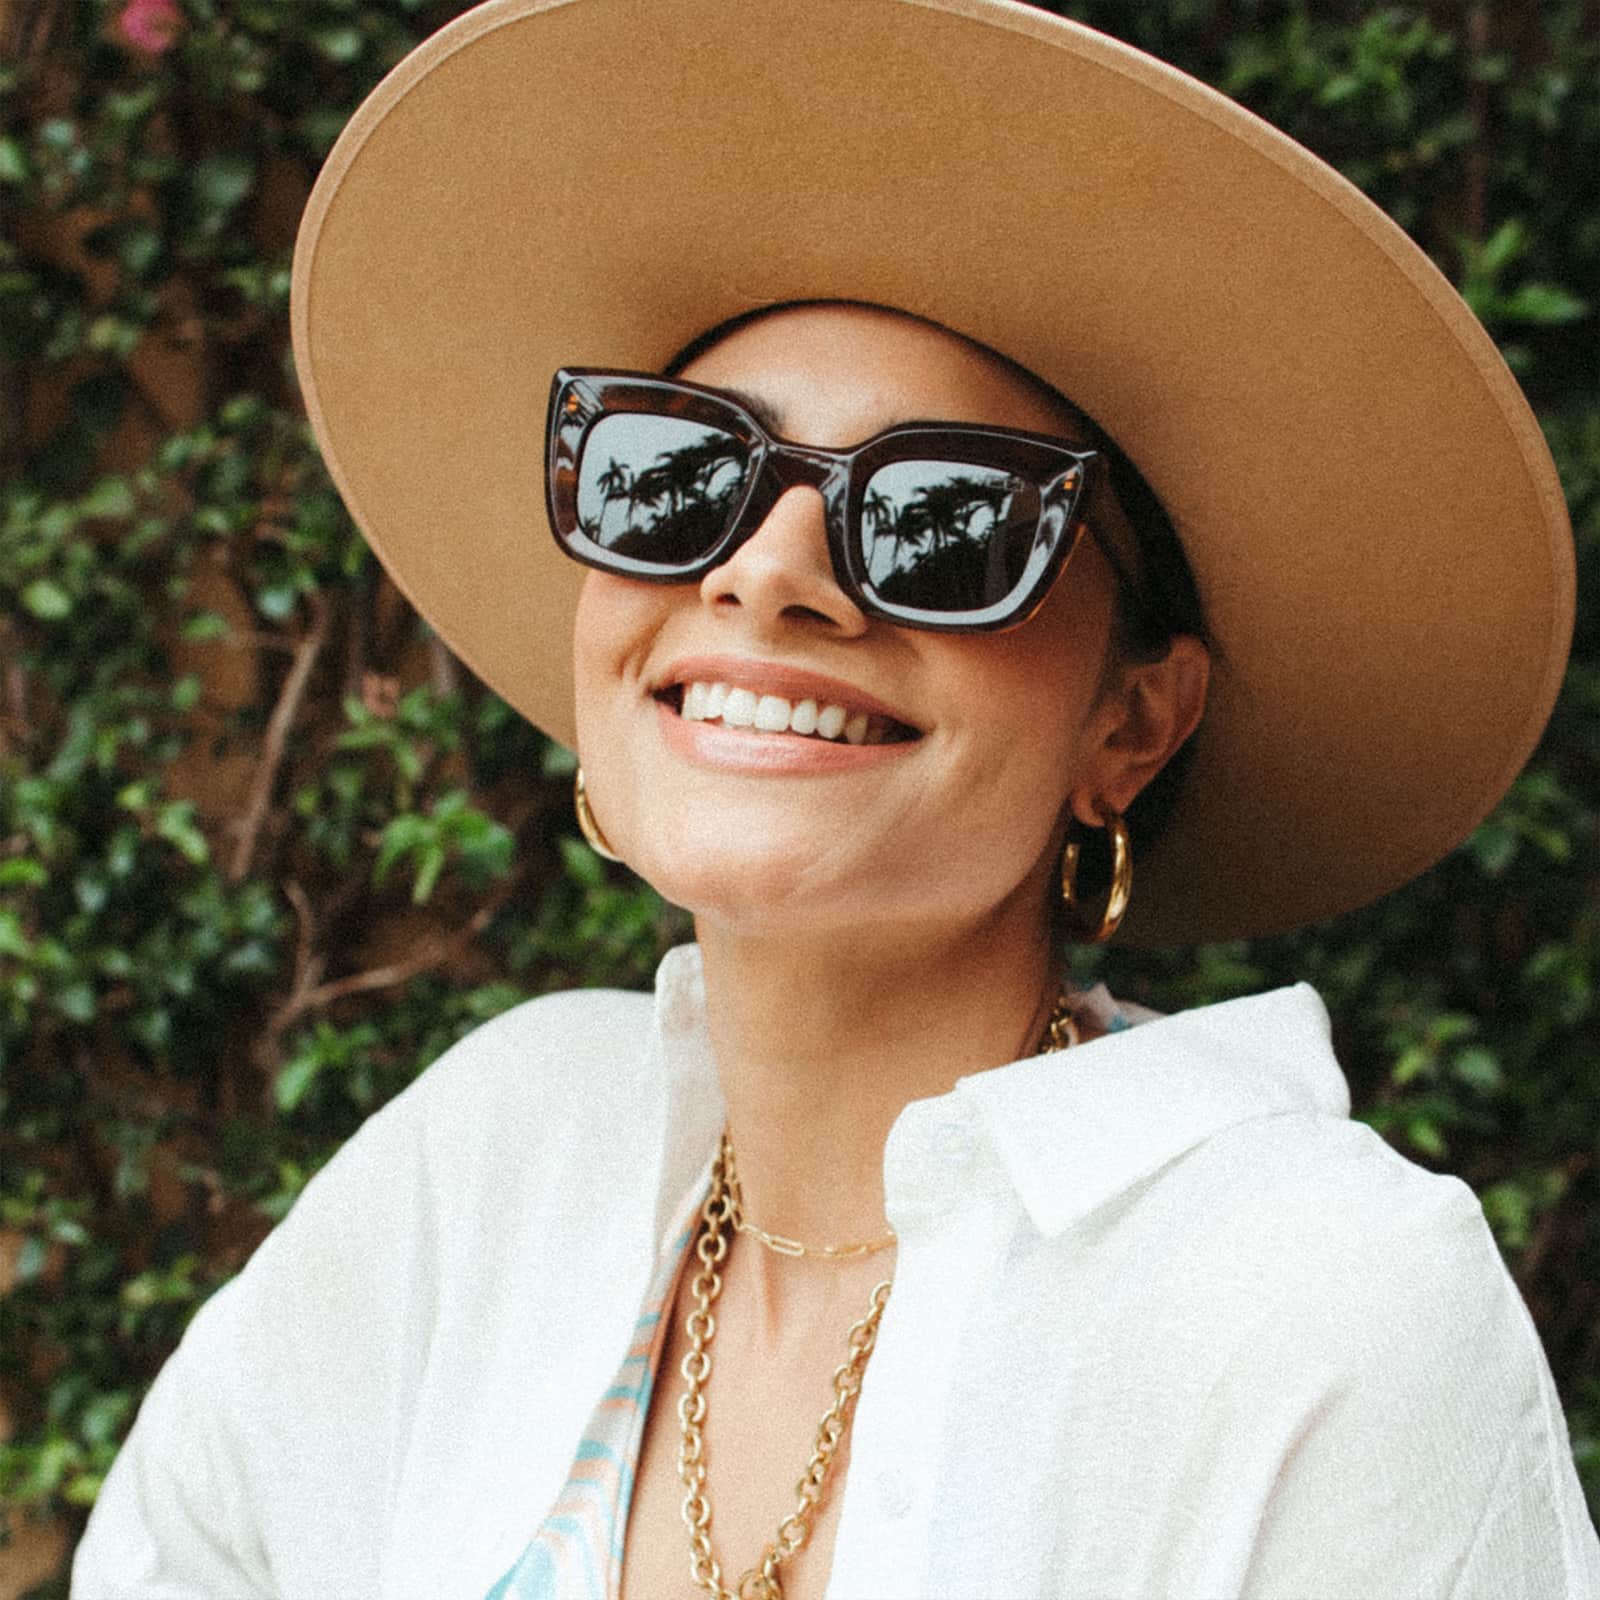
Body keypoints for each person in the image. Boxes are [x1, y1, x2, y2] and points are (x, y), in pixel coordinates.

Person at [73, 2, 1600, 1597]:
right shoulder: (495, 1159)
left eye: (942, 521)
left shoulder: (1311, 1306)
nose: (767, 571)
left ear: (1132, 724)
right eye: (677, 476)